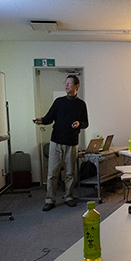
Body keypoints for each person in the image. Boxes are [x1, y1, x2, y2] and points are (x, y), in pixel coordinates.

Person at [33, 75, 88, 211]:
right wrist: (42, 120)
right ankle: (50, 200)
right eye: (65, 82)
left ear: (76, 86)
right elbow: (49, 118)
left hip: (72, 143)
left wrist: (79, 124)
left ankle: (68, 196)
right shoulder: (58, 102)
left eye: (69, 83)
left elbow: (85, 123)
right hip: (56, 142)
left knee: (70, 173)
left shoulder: (81, 104)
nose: (66, 85)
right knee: (52, 173)